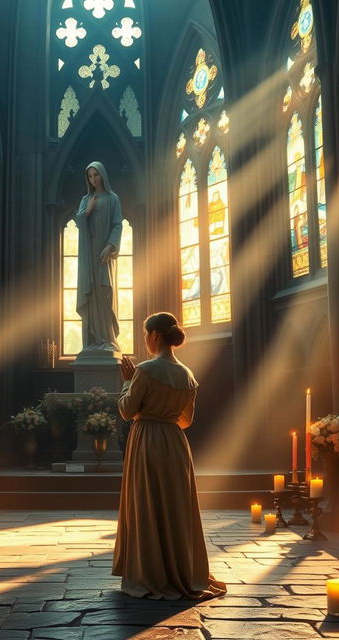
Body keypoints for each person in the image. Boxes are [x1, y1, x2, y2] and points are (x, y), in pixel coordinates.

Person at [112, 312, 227, 601]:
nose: (144, 339)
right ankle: (182, 569)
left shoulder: (146, 370)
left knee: (148, 505)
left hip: (147, 440)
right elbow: (186, 420)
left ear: (154, 335)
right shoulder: (188, 375)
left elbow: (127, 411)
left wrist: (127, 382)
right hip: (175, 443)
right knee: (176, 507)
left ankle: (152, 573)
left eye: (144, 334)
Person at [75, 161, 123, 353]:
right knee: (91, 293)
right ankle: (92, 340)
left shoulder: (113, 199)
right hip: (88, 255)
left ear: (103, 175)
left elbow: (118, 224)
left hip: (104, 254)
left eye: (96, 175)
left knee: (104, 294)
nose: (93, 179)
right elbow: (80, 220)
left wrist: (110, 245)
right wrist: (88, 210)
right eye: (90, 176)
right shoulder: (86, 199)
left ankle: (107, 339)